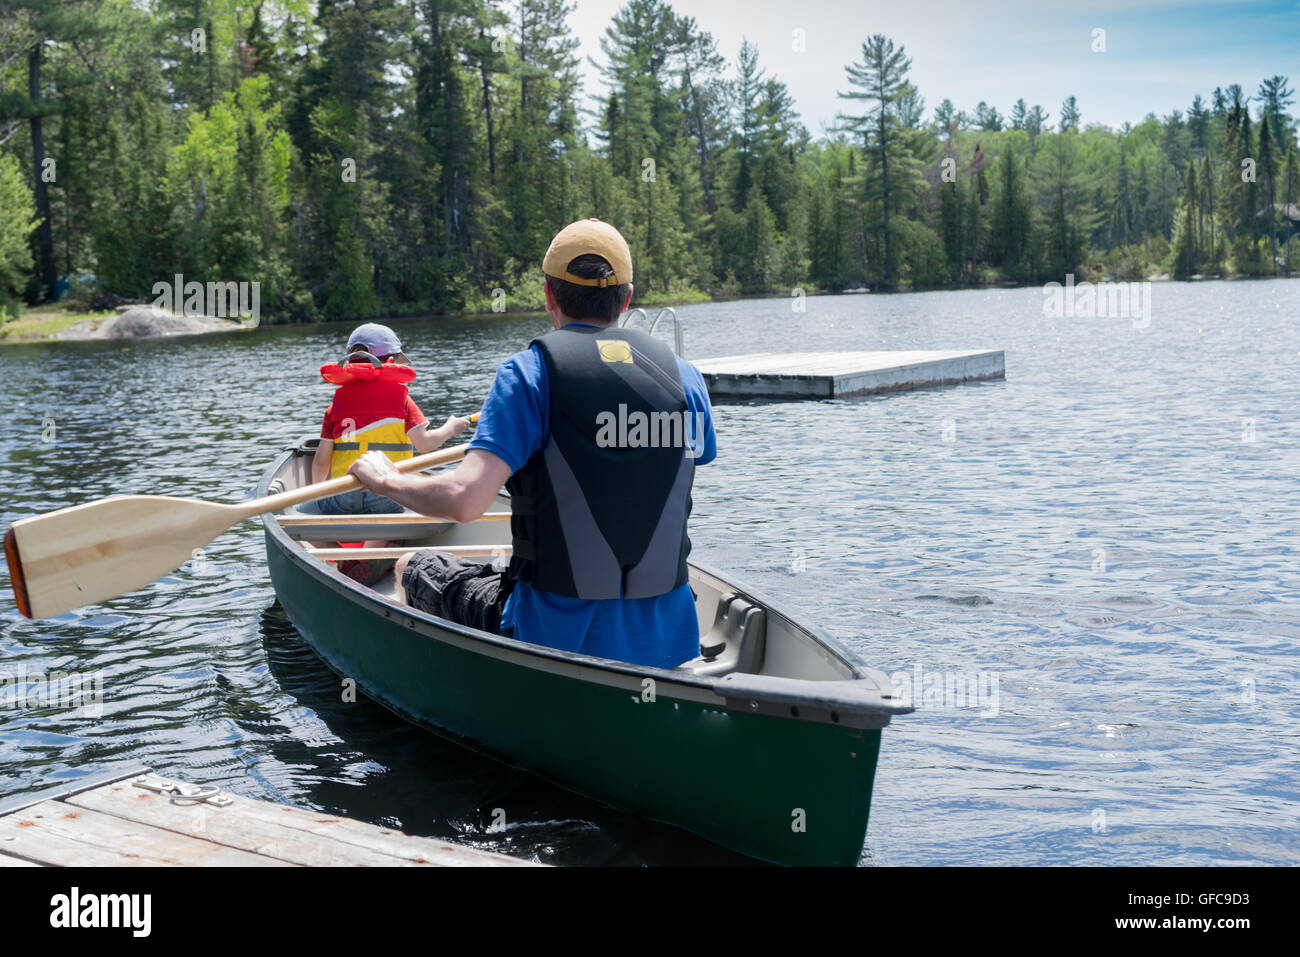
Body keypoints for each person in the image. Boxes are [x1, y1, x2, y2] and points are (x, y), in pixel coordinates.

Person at [348, 219, 717, 669]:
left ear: (548, 296)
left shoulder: (527, 375)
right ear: (626, 297)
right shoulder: (687, 378)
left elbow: (465, 502)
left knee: (411, 565)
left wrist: (386, 480)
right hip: (669, 637)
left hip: (547, 633)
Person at [311, 322, 470, 515]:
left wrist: (318, 494)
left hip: (343, 496)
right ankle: (377, 543)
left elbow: (321, 462)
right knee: (409, 503)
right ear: (392, 361)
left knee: (305, 510)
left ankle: (329, 543)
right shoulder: (401, 400)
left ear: (349, 363)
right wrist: (451, 428)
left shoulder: (336, 407)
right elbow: (425, 444)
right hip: (387, 495)